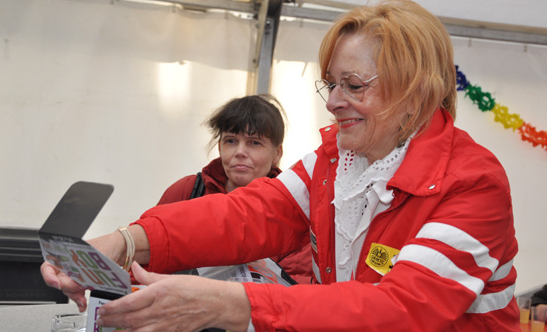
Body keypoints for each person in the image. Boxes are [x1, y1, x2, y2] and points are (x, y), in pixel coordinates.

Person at [41, 1, 520, 331]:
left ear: (414, 91)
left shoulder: (472, 184)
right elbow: (245, 215)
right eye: (331, 83)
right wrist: (126, 243)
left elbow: (401, 310)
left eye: (354, 85)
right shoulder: (337, 161)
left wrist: (227, 304)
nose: (333, 102)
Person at [157, 94, 312, 284]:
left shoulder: (295, 209)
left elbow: (294, 287)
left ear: (277, 153)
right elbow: (150, 257)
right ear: (220, 147)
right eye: (231, 141)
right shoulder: (188, 191)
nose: (240, 152)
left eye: (254, 142)